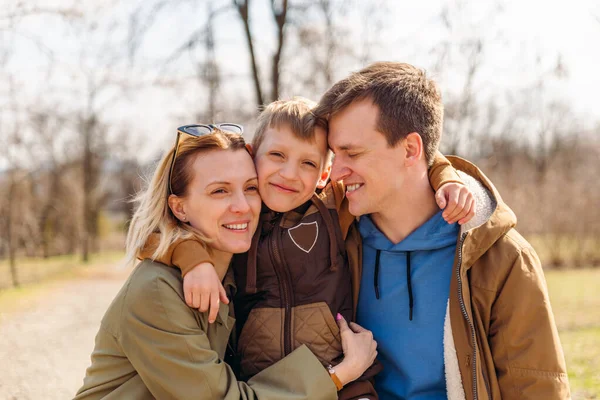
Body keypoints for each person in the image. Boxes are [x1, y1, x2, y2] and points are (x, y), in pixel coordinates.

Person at [141, 98, 476, 399]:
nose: (289, 174)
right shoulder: (238, 216)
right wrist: (193, 261)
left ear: (325, 173)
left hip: (347, 379)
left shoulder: (333, 206)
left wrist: (447, 178)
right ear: (251, 151)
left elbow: (404, 161)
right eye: (276, 155)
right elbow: (152, 238)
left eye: (307, 164)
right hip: (263, 384)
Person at [311, 62, 571, 400]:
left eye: (352, 153)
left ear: (410, 149)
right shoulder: (332, 236)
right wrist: (214, 262)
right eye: (334, 154)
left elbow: (535, 388)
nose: (336, 172)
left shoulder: (501, 258)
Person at [74, 126, 378, 400]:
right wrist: (339, 374)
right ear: (179, 208)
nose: (242, 207)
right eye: (219, 191)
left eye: (250, 188)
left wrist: (429, 178)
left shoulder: (236, 268)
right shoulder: (157, 292)